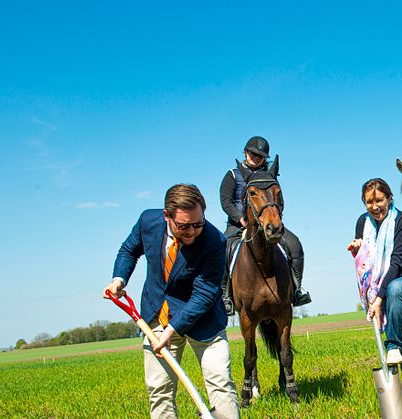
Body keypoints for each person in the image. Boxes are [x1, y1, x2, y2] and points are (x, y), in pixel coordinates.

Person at [103, 184, 239, 419]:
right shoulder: (148, 221)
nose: (193, 231)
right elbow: (128, 250)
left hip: (203, 320)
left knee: (220, 382)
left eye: (199, 224)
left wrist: (173, 329)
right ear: (167, 216)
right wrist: (118, 280)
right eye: (184, 226)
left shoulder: (214, 241)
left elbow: (204, 293)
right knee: (160, 390)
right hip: (158, 315)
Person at [347, 178, 402, 415]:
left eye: (379, 200)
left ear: (389, 198)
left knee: (397, 287)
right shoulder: (363, 222)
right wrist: (357, 247)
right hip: (391, 294)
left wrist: (379, 299)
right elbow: (366, 259)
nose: (375, 206)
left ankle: (392, 344)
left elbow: (397, 264)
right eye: (369, 201)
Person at [219, 136, 311, 313]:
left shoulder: (269, 174)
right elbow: (226, 201)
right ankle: (225, 296)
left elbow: (279, 200)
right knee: (223, 249)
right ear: (246, 152)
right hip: (238, 224)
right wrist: (240, 218)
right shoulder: (232, 175)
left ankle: (297, 289)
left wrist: (274, 217)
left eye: (260, 156)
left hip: (266, 222)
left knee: (294, 245)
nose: (256, 158)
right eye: (253, 154)